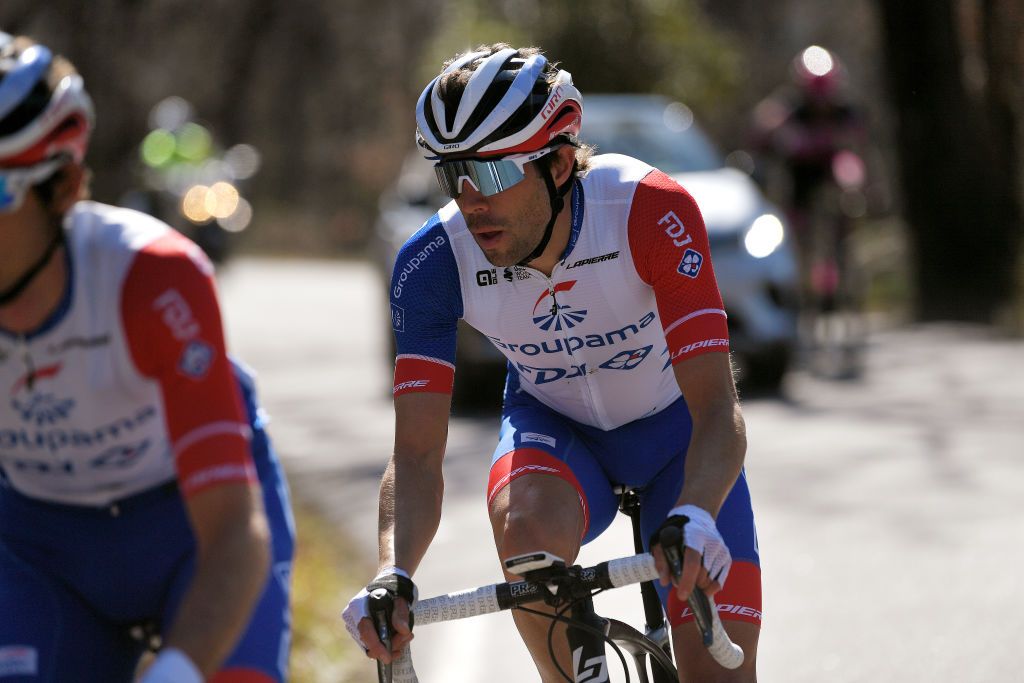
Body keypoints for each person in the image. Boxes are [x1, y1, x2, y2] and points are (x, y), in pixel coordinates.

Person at [344, 43, 760, 682]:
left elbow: (715, 409)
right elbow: (417, 456)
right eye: (451, 173)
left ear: (561, 163)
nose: (469, 198)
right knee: (527, 527)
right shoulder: (432, 263)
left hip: (680, 436)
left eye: (490, 174)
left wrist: (698, 510)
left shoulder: (647, 211)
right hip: (558, 433)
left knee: (720, 674)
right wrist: (391, 574)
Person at [0, 34, 294, 682]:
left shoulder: (153, 279)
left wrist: (179, 670)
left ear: (65, 186)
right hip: (41, 548)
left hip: (194, 531)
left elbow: (231, 533)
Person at [749, 45, 867, 309]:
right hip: (801, 181)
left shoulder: (845, 111)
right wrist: (783, 136)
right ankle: (803, 288)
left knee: (845, 201)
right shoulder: (790, 109)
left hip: (833, 177)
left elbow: (855, 151)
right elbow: (766, 128)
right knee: (800, 238)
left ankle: (843, 272)